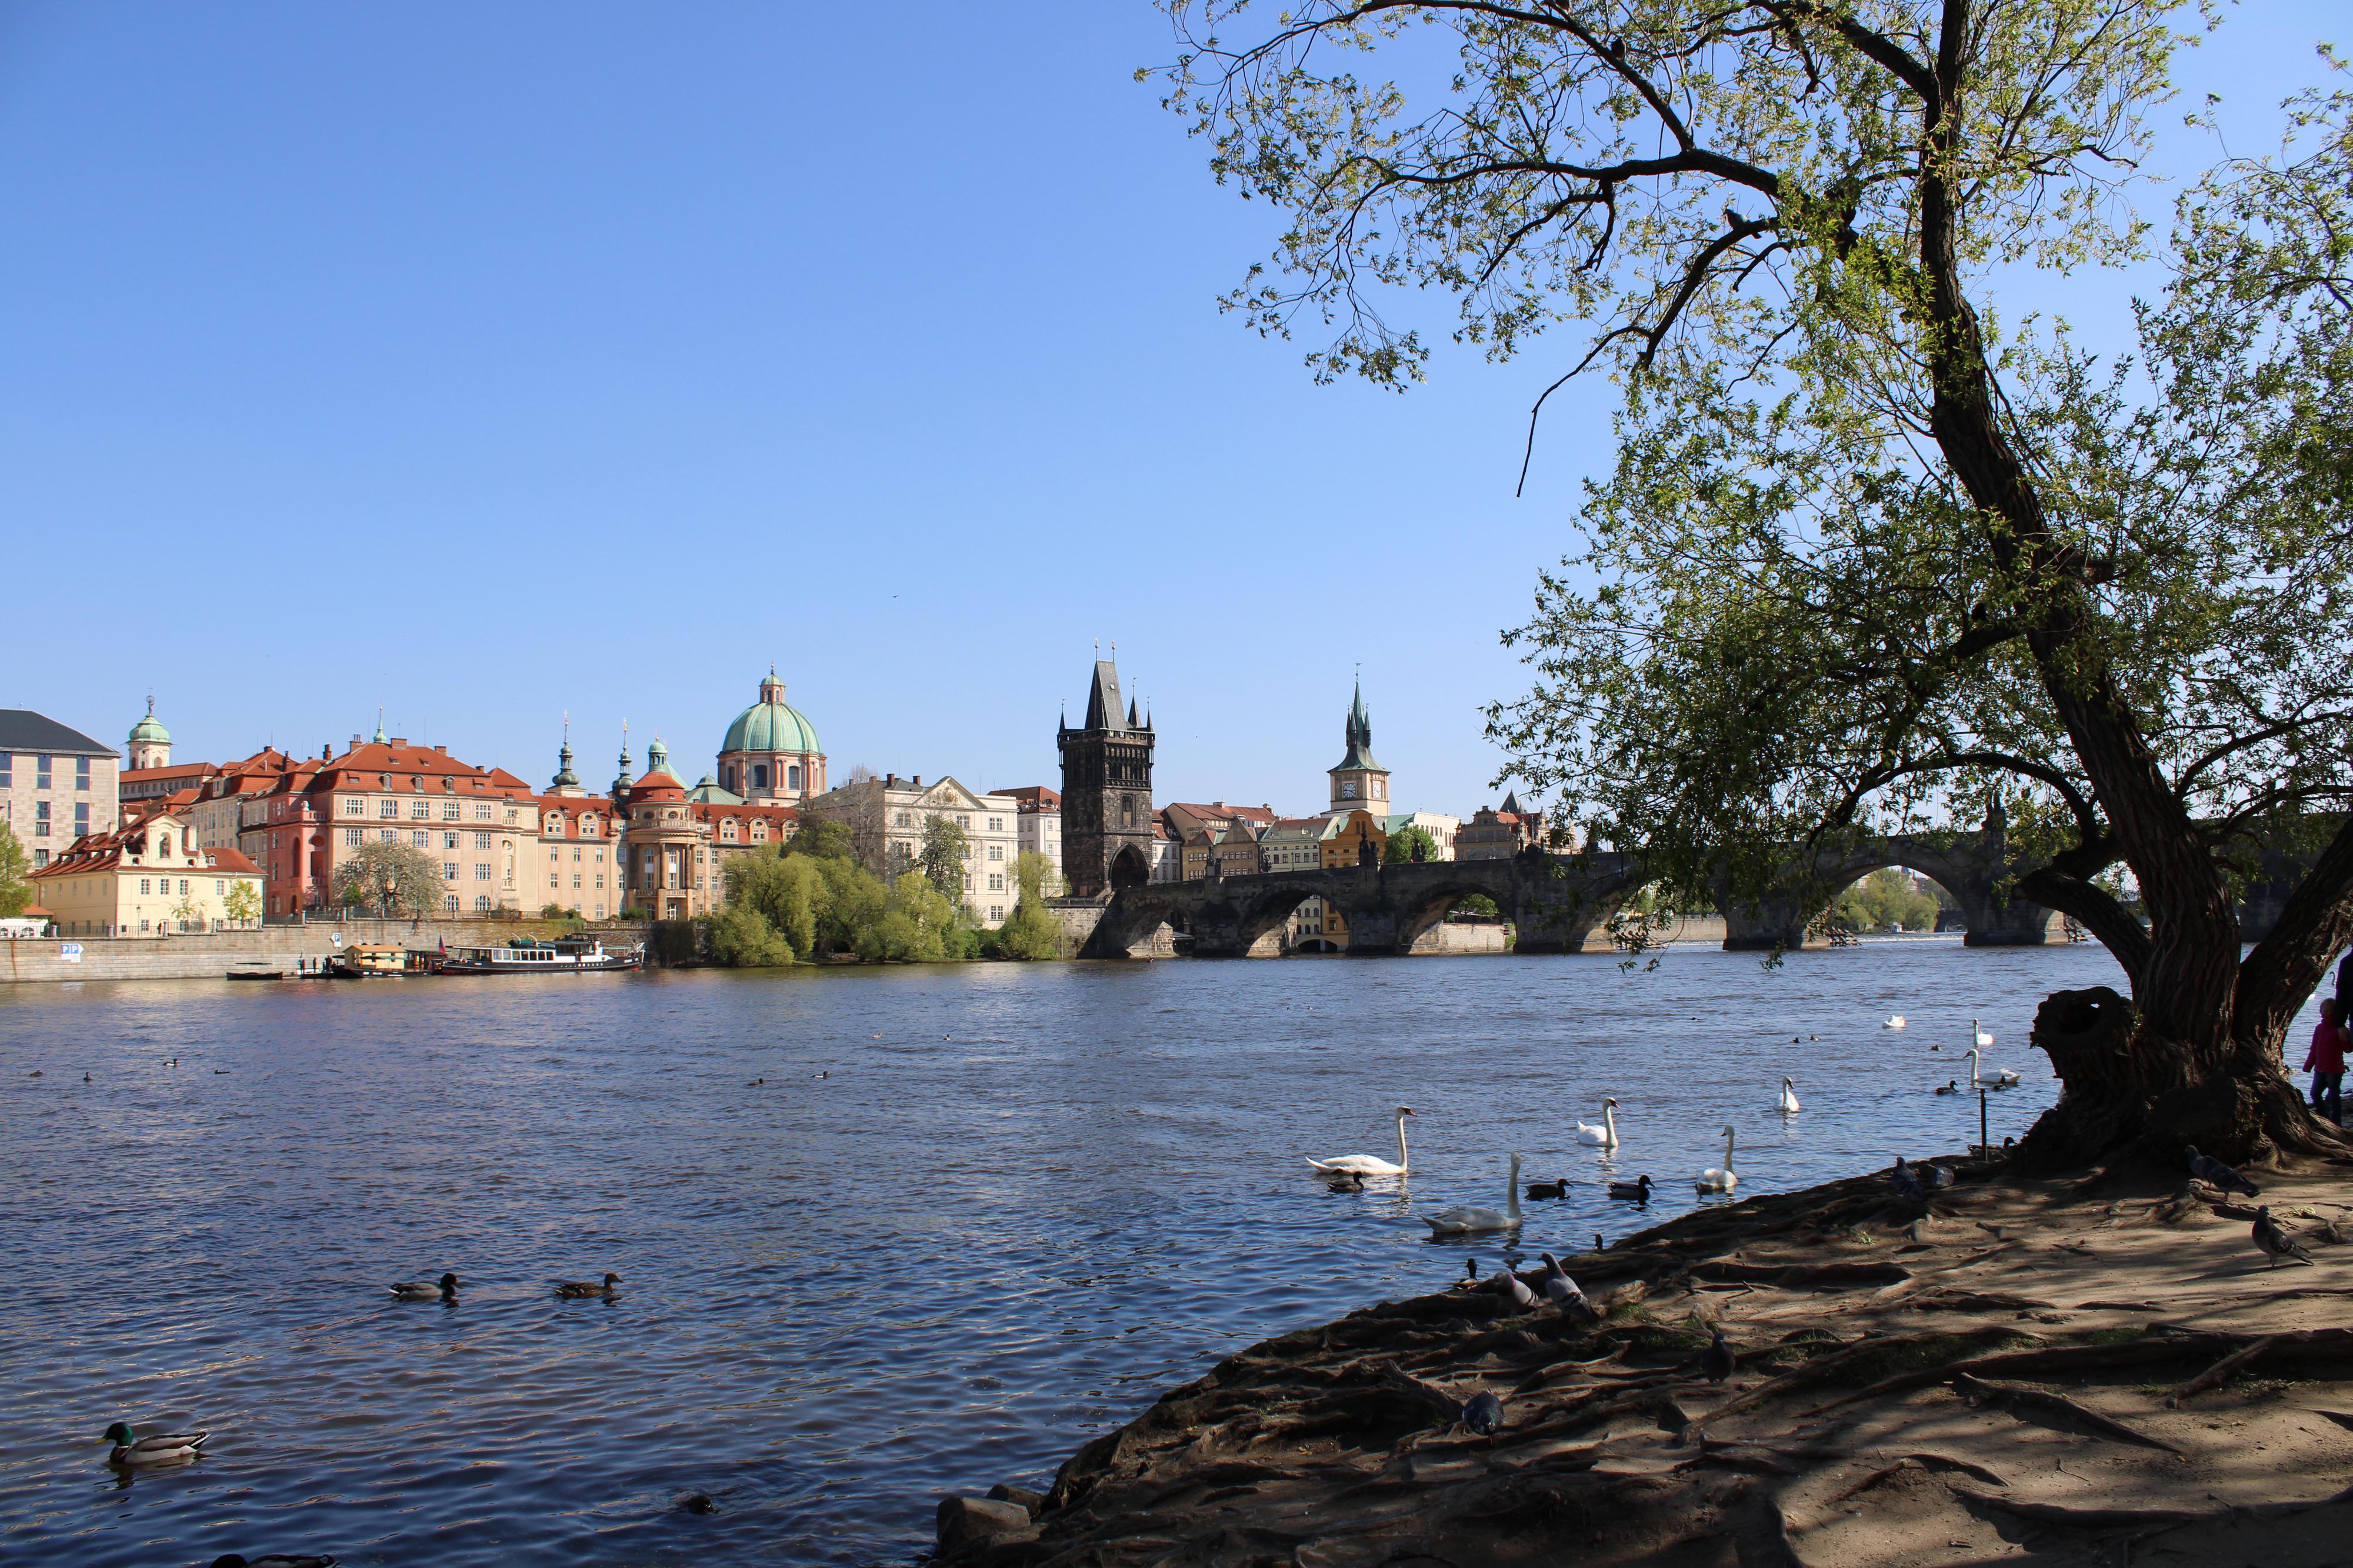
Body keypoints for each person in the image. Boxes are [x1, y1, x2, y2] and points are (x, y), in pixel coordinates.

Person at [2304, 998, 2348, 1126]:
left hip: (2335, 1070)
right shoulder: (2319, 1029)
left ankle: (2336, 1120)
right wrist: (2308, 1065)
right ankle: (2324, 1116)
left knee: (2334, 1095)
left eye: (2331, 1012)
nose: (2328, 1014)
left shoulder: (2339, 1029)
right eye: (2325, 1011)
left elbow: (2348, 1049)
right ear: (2321, 1012)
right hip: (2320, 1068)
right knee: (2315, 1093)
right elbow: (2314, 1049)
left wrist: (2345, 1038)